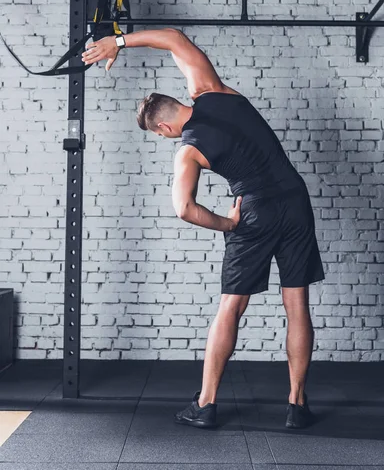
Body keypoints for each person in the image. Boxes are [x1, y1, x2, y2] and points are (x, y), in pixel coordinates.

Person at [82, 28, 325, 430]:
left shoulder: (188, 150)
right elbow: (175, 38)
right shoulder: (212, 90)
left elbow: (185, 209)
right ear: (177, 102)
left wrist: (229, 222)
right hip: (296, 201)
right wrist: (119, 42)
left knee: (232, 305)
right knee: (297, 304)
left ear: (161, 128)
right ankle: (297, 405)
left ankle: (206, 403)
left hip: (254, 211)